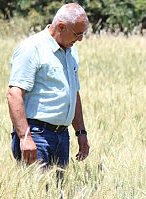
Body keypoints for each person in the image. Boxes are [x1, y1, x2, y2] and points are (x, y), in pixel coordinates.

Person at [6, 3, 90, 169]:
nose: (80, 39)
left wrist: (81, 132)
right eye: (77, 34)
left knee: (58, 193)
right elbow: (14, 94)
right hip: (36, 135)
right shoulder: (32, 48)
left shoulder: (71, 51)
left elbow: (73, 93)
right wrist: (24, 137)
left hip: (62, 136)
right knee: (35, 193)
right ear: (61, 27)